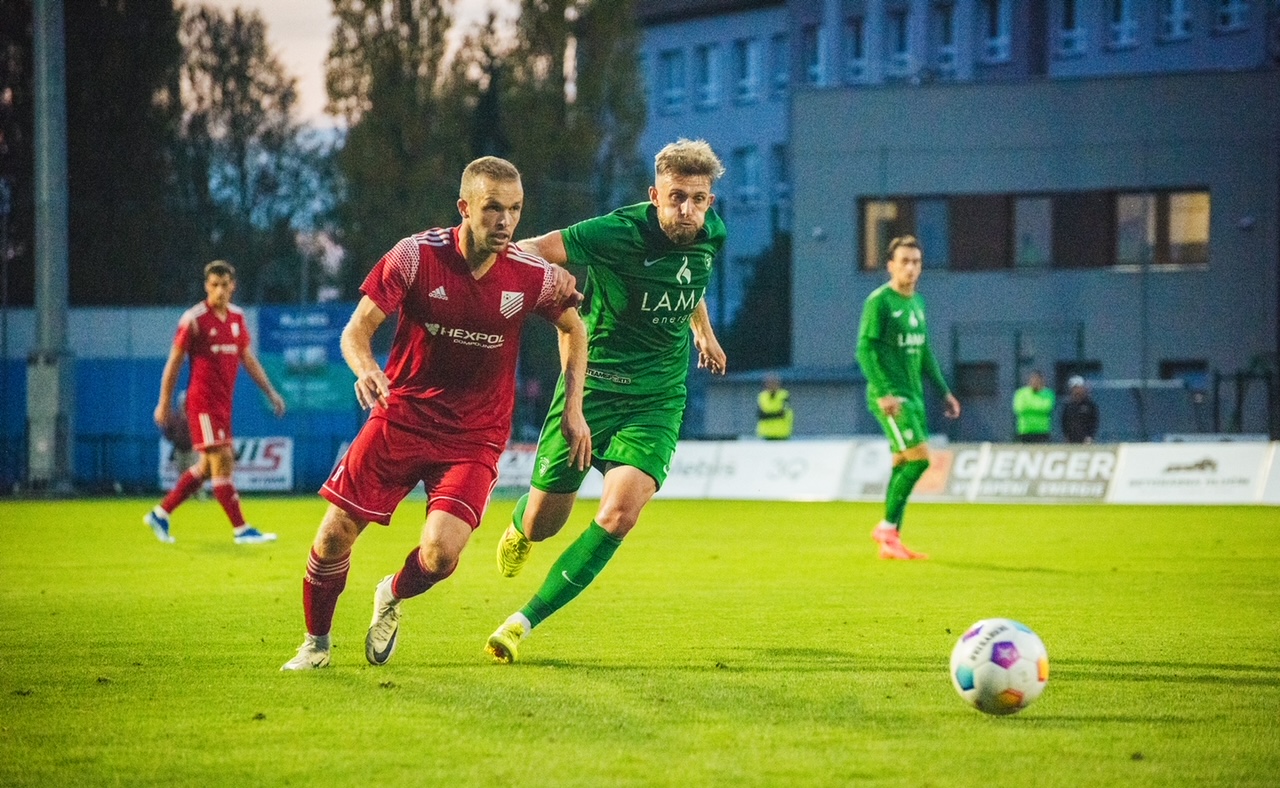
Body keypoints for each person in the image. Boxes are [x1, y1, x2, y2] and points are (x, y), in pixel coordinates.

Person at [281, 156, 588, 671]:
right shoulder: (416, 257)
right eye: (493, 208)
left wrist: (573, 407)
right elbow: (357, 330)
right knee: (333, 534)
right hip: (402, 417)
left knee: (440, 556)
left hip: (474, 437)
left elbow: (574, 328)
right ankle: (315, 645)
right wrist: (365, 369)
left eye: (514, 210)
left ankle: (391, 595)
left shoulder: (531, 275)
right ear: (464, 208)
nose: (505, 222)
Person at [484, 138, 728, 664]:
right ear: (654, 195)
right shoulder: (617, 232)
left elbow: (691, 280)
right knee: (543, 524)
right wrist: (550, 285)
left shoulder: (712, 234)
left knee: (620, 513)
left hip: (658, 399)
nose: (688, 210)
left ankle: (520, 623)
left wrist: (702, 331)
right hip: (590, 389)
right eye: (677, 197)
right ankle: (522, 523)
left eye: (699, 199)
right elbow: (529, 249)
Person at [145, 261, 286, 544]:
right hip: (203, 403)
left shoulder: (236, 318)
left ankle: (161, 513)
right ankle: (242, 529)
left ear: (233, 286)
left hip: (223, 405)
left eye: (224, 285)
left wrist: (270, 392)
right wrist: (164, 402)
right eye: (213, 285)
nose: (219, 290)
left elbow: (248, 359)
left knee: (207, 468)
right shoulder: (194, 319)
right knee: (222, 459)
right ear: (206, 286)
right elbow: (174, 362)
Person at [856, 235, 961, 560]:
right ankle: (887, 528)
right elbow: (864, 348)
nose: (911, 267)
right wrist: (884, 392)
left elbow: (925, 351)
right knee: (919, 459)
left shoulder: (918, 303)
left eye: (916, 262)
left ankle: (892, 542)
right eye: (904, 261)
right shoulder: (880, 301)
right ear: (891, 266)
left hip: (913, 395)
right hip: (890, 397)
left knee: (902, 462)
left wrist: (944, 391)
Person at [1013, 370, 1055, 443]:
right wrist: (1039, 406)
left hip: (1042, 430)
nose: (1035, 382)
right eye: (1033, 379)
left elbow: (1047, 408)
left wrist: (1028, 406)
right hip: (1025, 430)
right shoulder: (1021, 393)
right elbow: (1019, 408)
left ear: (1042, 381)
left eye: (1037, 380)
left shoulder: (1048, 393)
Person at [1061, 375, 1099, 443]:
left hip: (1086, 440)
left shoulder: (1090, 405)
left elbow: (1094, 421)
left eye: (1079, 387)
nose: (1077, 390)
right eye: (1075, 388)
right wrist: (1066, 436)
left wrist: (1090, 436)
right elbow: (1064, 422)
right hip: (1071, 440)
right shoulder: (1068, 405)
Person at [756, 373, 793, 440]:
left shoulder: (784, 395)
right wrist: (774, 413)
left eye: (773, 383)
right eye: (769, 383)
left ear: (778, 384)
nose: (771, 385)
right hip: (765, 434)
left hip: (782, 434)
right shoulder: (762, 396)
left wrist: (768, 414)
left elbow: (782, 413)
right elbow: (760, 415)